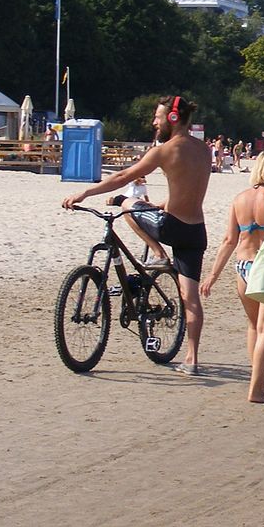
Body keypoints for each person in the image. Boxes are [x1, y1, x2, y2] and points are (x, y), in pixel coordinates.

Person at [63, 95, 211, 374]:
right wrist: (163, 204)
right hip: (195, 231)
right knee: (190, 297)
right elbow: (189, 187)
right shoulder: (205, 150)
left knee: (128, 205)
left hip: (171, 227)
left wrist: (86, 192)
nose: (154, 122)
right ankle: (191, 359)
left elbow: (124, 176)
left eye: (157, 117)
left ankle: (156, 252)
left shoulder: (164, 150)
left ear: (173, 118)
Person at [200, 151, 264, 403]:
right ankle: (256, 390)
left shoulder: (240, 199)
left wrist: (213, 274)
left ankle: (260, 380)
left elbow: (228, 240)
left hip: (243, 266)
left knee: (254, 326)